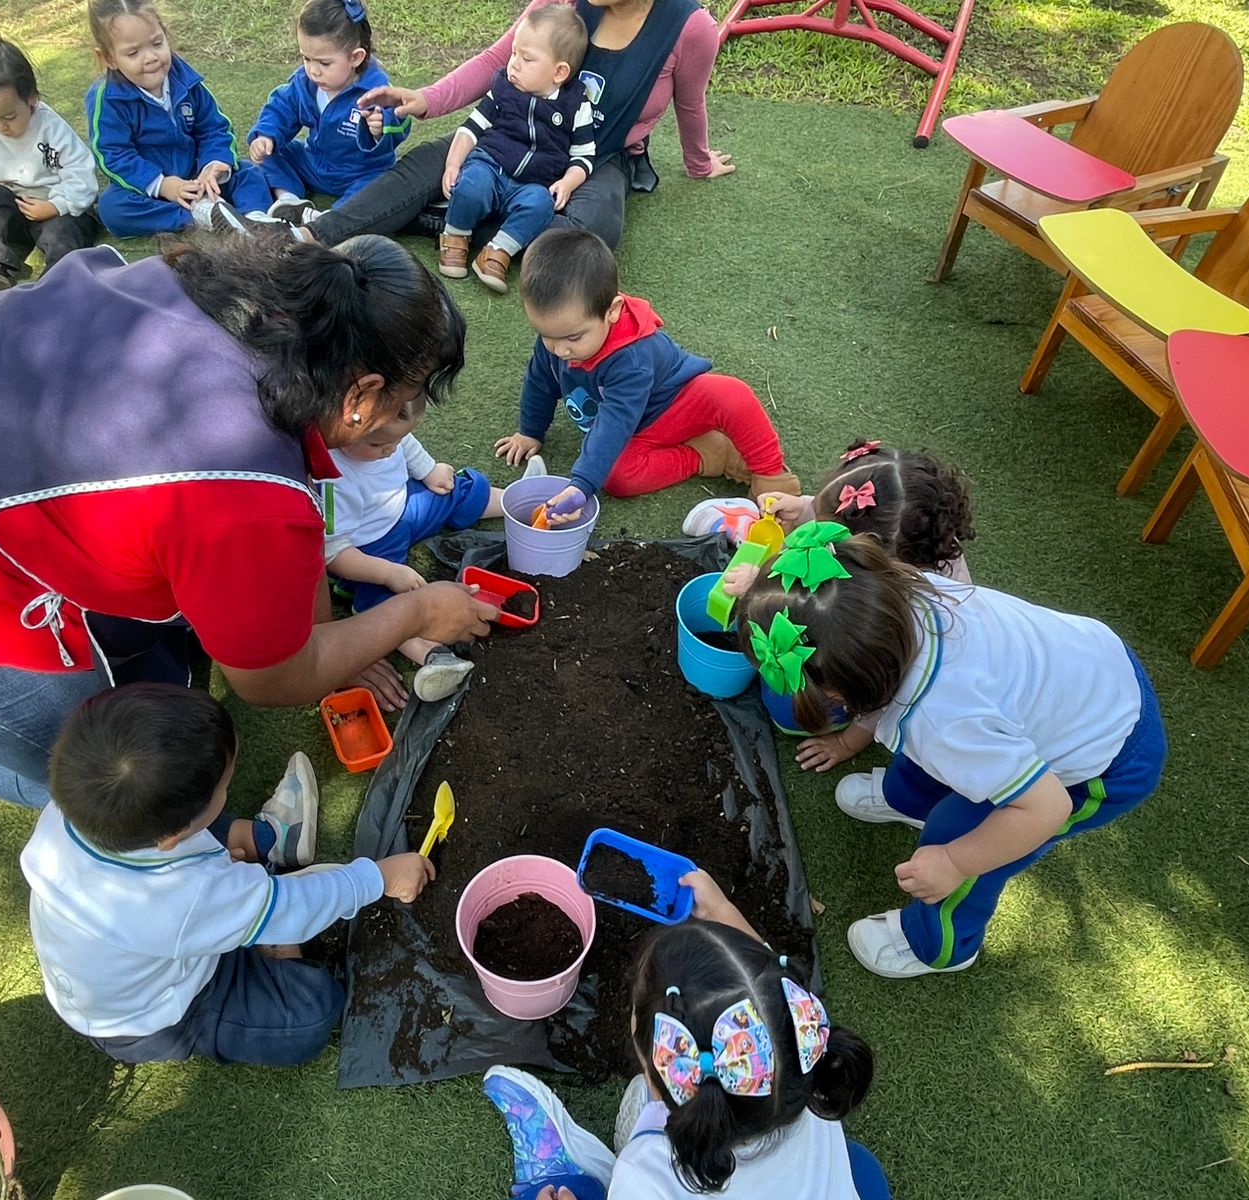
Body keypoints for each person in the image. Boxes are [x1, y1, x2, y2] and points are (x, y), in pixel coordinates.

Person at [0, 234, 496, 806]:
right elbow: (270, 680)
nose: (406, 428)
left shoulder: (229, 306)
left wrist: (323, 636)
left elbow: (288, 555)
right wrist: (417, 613)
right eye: (405, 408)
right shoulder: (238, 488)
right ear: (361, 393)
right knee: (106, 781)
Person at [738, 526, 1166, 979]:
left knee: (960, 833)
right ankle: (908, 800)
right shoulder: (897, 597)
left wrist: (955, 861)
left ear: (856, 691)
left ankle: (938, 945)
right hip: (1086, 670)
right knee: (936, 758)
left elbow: (1046, 808)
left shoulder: (945, 722)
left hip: (1104, 761)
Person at [21, 683, 436, 1064]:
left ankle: (262, 842)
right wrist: (379, 877)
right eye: (224, 788)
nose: (226, 790)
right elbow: (294, 907)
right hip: (157, 1015)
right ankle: (262, 927)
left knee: (185, 819)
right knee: (307, 1017)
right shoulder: (179, 898)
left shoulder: (75, 812)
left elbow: (176, 850)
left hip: (154, 935)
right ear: (172, 838)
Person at [480, 870, 889, 1199]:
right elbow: (764, 994)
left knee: (575, 1191)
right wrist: (724, 910)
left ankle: (570, 1166)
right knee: (864, 1171)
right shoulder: (801, 1057)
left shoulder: (646, 1176)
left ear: (658, 1077)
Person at [304, 0, 735, 253]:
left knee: (595, 231)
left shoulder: (689, 26)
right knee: (427, 164)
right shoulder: (562, 5)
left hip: (594, 157)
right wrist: (428, 99)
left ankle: (444, 221)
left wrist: (699, 164)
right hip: (515, 129)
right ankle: (312, 233)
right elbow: (497, 59)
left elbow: (690, 102)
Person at [690, 437, 976, 768]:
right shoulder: (897, 529)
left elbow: (881, 693)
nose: (817, 529)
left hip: (890, 675)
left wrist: (844, 743)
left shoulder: (912, 621)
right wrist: (805, 508)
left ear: (869, 561)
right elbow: (846, 524)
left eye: (827, 529)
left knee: (798, 707)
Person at [497, 229, 798, 522]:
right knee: (617, 477)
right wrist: (530, 430)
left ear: (612, 310)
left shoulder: (631, 356)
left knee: (731, 395)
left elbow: (616, 419)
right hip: (639, 428)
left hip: (675, 403)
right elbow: (540, 381)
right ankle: (708, 455)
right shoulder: (556, 341)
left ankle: (772, 478)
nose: (560, 350)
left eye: (573, 338)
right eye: (547, 336)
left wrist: (582, 482)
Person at [325, 395, 504, 701]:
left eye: (397, 439)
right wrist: (387, 572)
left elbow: (405, 445)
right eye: (379, 446)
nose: (390, 450)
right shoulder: (330, 479)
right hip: (369, 547)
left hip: (404, 506)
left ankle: (520, 501)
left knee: (454, 491)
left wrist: (429, 470)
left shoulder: (386, 434)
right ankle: (434, 657)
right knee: (387, 605)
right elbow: (333, 554)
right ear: (338, 427)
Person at [85, 0, 286, 238]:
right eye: (133, 52)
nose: (150, 57)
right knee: (112, 208)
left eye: (157, 43)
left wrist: (214, 165)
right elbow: (112, 154)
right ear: (109, 58)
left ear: (166, 36)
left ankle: (255, 219)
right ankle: (201, 216)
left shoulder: (186, 80)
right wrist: (163, 184)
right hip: (151, 188)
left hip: (198, 178)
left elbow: (214, 128)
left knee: (248, 172)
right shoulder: (106, 98)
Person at [438, 5, 594, 293]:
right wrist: (453, 163)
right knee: (472, 184)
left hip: (534, 182)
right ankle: (455, 235)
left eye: (527, 58)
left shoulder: (576, 105)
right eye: (513, 54)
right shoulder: (502, 88)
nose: (514, 65)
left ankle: (497, 252)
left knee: (541, 205)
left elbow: (584, 156)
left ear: (560, 72)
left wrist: (568, 183)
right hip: (491, 164)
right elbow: (471, 128)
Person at [0, 35, 100, 292]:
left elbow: (81, 174)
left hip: (55, 209)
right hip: (12, 211)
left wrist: (55, 205)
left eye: (9, 116)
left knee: (64, 235)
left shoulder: (51, 128)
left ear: (32, 99)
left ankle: (56, 281)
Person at [247, 0, 410, 225]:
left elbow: (401, 117)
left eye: (324, 63)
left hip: (361, 173)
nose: (313, 70)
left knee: (383, 185)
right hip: (314, 163)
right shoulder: (304, 83)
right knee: (270, 153)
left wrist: (382, 128)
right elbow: (282, 106)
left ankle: (330, 219)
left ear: (356, 57)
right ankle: (288, 201)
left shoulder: (377, 90)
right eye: (306, 59)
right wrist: (266, 135)